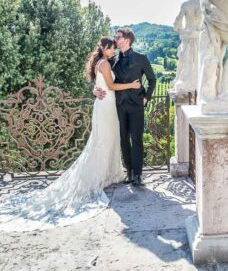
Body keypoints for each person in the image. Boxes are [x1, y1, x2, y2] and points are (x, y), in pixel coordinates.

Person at [0, 37, 141, 232]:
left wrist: (95, 90)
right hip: (106, 106)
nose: (113, 51)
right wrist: (132, 86)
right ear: (104, 48)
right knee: (104, 141)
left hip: (104, 105)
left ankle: (107, 174)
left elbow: (100, 85)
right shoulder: (105, 64)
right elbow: (111, 87)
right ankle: (101, 176)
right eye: (111, 48)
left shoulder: (100, 63)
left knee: (104, 140)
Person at [95, 28, 156, 187]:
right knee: (123, 140)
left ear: (127, 40)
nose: (115, 39)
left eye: (118, 37)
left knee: (137, 139)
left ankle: (137, 175)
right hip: (119, 106)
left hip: (136, 105)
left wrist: (146, 98)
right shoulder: (112, 60)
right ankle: (128, 171)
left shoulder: (141, 58)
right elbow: (103, 79)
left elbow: (152, 80)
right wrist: (95, 90)